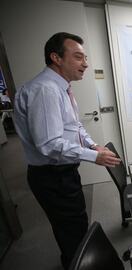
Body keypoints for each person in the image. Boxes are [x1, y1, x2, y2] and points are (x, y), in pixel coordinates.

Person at [13, 32, 121, 269]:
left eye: (85, 58)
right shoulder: (46, 90)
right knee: (73, 236)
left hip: (61, 174)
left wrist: (92, 144)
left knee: (75, 228)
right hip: (53, 177)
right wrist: (94, 156)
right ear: (56, 57)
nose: (86, 63)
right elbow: (50, 144)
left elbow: (74, 125)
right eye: (78, 57)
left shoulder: (60, 88)